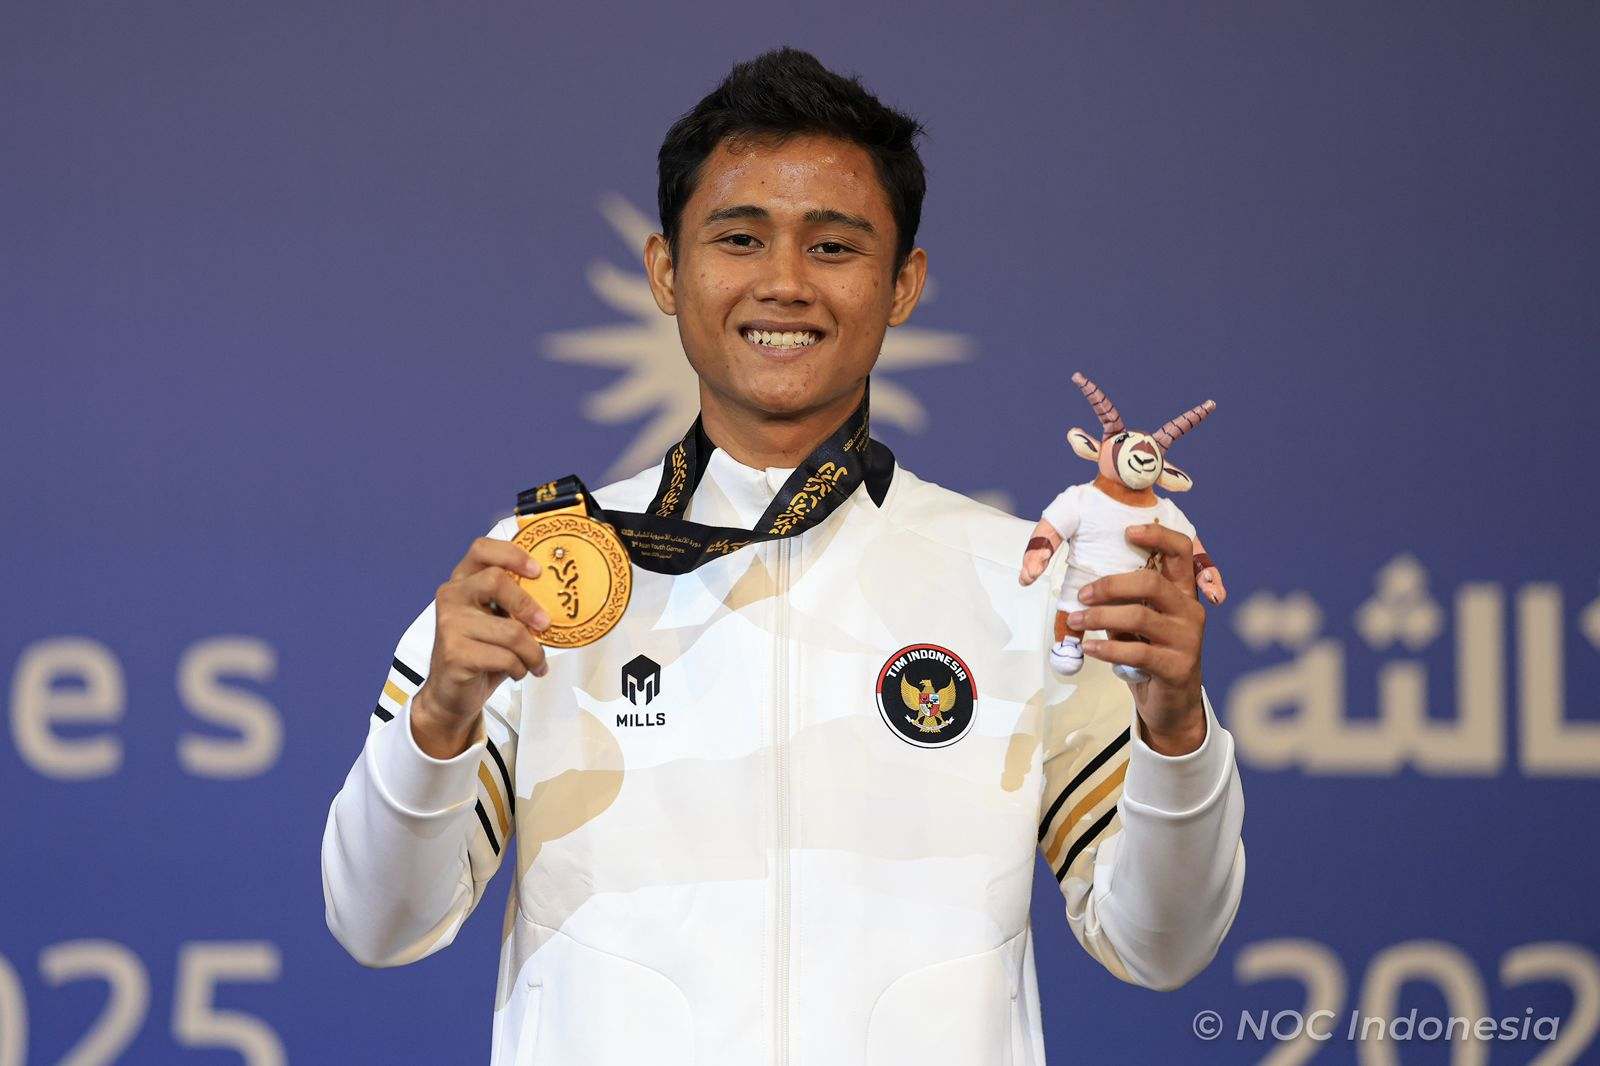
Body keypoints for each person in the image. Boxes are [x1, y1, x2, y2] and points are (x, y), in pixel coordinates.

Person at [321, 46, 1244, 1065]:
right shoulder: (541, 569)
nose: (786, 283)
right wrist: (438, 722)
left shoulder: (1022, 582)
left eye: (834, 246)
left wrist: (1175, 732)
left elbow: (1161, 946)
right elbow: (378, 924)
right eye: (740, 238)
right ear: (665, 270)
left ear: (903, 285)